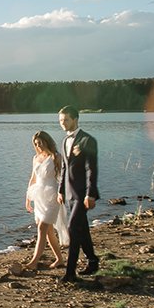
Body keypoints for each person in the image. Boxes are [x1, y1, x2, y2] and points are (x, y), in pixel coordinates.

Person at [56, 105, 100, 282]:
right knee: (81, 229)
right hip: (69, 193)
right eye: (60, 120)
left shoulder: (88, 140)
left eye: (66, 120)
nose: (63, 123)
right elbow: (65, 168)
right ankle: (93, 260)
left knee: (73, 228)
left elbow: (91, 169)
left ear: (75, 119)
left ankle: (70, 272)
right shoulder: (65, 141)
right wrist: (60, 190)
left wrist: (90, 194)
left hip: (83, 194)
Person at [23, 130, 67, 270]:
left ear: (47, 141)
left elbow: (64, 177)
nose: (38, 146)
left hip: (53, 195)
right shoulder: (36, 158)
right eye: (36, 144)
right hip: (39, 195)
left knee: (42, 227)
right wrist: (28, 198)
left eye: (40, 143)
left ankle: (34, 261)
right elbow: (33, 178)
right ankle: (60, 259)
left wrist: (62, 193)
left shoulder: (56, 157)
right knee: (48, 231)